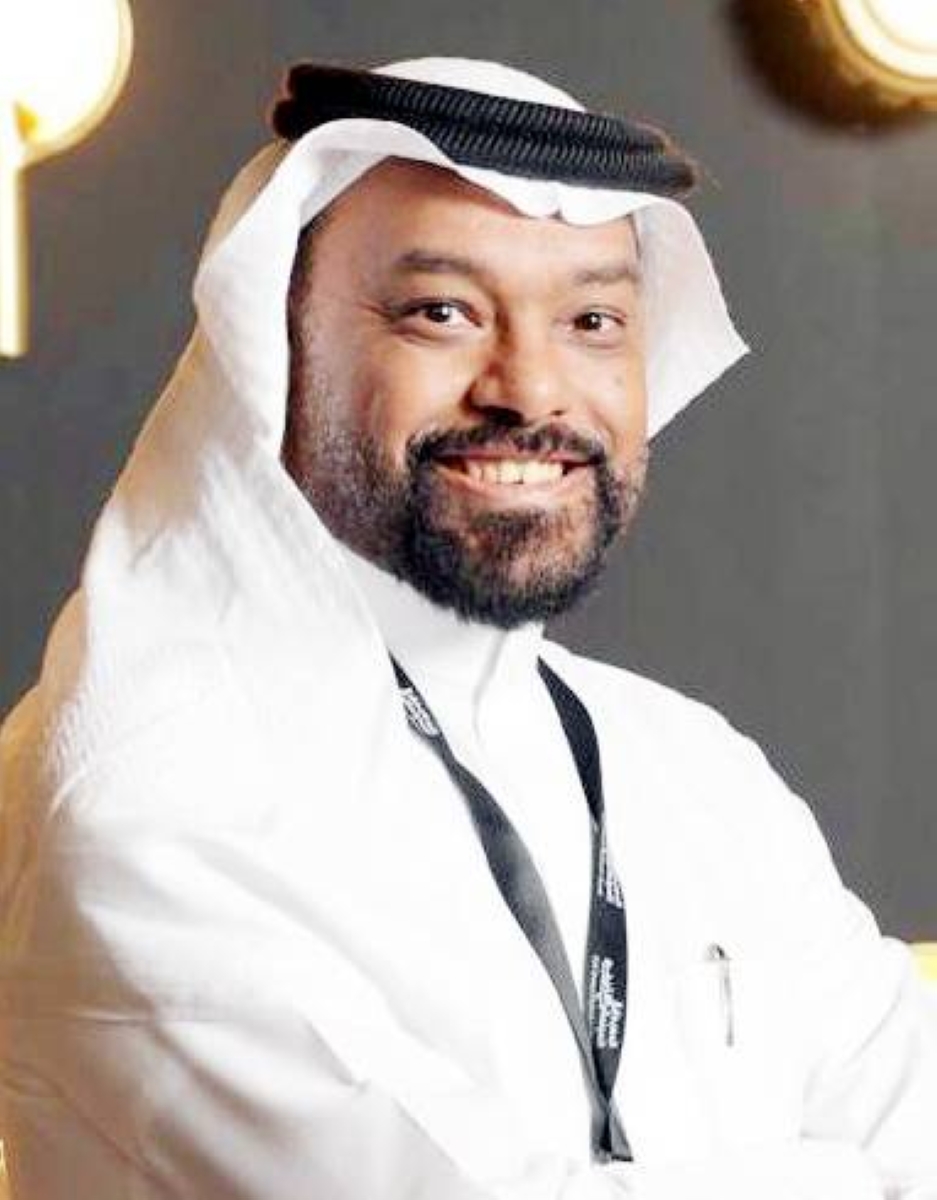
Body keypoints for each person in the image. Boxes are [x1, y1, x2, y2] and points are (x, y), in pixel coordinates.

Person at [0, 55, 934, 1200]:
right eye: (440, 313)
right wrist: (842, 1176)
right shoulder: (150, 793)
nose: (531, 389)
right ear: (274, 349)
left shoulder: (692, 767)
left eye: (591, 320)